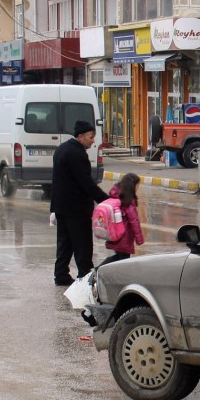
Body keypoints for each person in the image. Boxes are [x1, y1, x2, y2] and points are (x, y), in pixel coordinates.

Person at [51, 120, 107, 285]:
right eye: (91, 137)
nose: (93, 141)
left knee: (65, 243)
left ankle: (61, 274)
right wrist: (106, 200)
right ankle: (85, 276)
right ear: (80, 136)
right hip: (76, 208)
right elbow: (86, 183)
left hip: (61, 206)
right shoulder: (77, 154)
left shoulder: (62, 149)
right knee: (82, 243)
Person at [100, 172, 145, 264]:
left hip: (115, 234)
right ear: (132, 186)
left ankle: (99, 271)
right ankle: (98, 270)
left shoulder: (116, 196)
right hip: (124, 237)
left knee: (119, 259)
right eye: (137, 185)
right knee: (123, 262)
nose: (137, 188)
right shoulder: (128, 201)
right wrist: (139, 238)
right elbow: (134, 221)